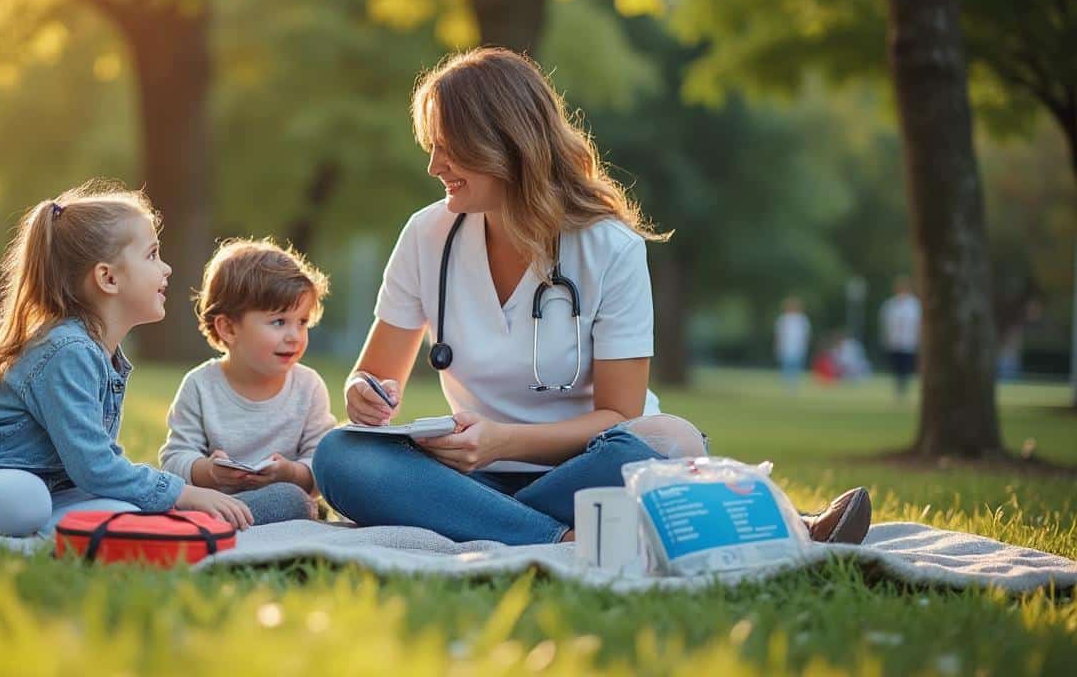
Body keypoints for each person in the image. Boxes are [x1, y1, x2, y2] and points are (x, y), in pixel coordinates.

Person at [312, 48, 870, 546]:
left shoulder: (610, 247)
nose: (435, 167)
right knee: (341, 456)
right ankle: (570, 536)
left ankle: (495, 524)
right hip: (473, 472)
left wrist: (506, 441)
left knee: (658, 445)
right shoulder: (426, 234)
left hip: (590, 464)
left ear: (506, 142)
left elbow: (620, 414)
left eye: (449, 149)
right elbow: (373, 379)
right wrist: (365, 394)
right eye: (432, 149)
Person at [0, 181, 254, 537]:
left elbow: (99, 463)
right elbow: (95, 467)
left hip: (49, 486)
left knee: (127, 512)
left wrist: (160, 496)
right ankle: (46, 527)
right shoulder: (68, 351)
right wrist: (183, 492)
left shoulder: (104, 354)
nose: (167, 269)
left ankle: (59, 529)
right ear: (108, 277)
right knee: (28, 501)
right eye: (152, 255)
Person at [158, 239, 335, 524]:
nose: (294, 336)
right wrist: (210, 471)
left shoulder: (308, 386)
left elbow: (322, 467)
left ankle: (222, 524)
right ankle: (226, 519)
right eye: (279, 322)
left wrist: (290, 473)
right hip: (213, 502)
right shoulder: (200, 385)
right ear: (228, 328)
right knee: (167, 494)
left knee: (292, 500)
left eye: (302, 322)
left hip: (281, 501)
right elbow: (173, 462)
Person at [879, 276, 921, 399]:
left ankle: (903, 389)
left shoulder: (914, 306)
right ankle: (898, 389)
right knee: (896, 367)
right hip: (894, 342)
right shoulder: (890, 305)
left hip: (909, 342)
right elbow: (885, 324)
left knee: (906, 367)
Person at [774, 297, 811, 388]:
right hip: (786, 346)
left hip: (798, 346)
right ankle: (786, 383)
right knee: (786, 365)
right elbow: (779, 334)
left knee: (796, 365)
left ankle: (794, 383)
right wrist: (778, 345)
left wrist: (805, 345)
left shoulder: (802, 319)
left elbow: (806, 334)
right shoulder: (783, 319)